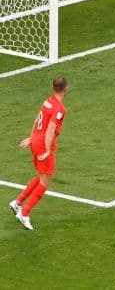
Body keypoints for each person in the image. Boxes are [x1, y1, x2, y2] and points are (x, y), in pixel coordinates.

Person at [8, 76, 68, 231]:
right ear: (66, 89)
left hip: (36, 139)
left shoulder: (47, 101)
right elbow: (51, 129)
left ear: (52, 88)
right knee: (45, 182)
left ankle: (18, 203)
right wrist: (47, 149)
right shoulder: (60, 109)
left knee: (42, 175)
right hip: (43, 143)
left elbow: (37, 121)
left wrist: (32, 137)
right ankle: (25, 213)